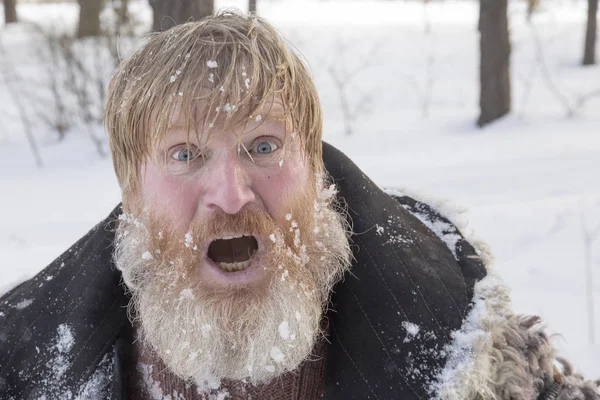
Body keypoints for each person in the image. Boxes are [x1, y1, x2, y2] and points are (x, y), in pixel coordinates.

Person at [0, 12, 598, 400]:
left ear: (314, 170)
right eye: (185, 154)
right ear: (132, 190)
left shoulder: (486, 366)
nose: (232, 193)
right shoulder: (18, 369)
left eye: (263, 146)